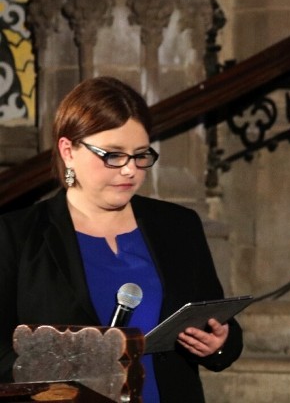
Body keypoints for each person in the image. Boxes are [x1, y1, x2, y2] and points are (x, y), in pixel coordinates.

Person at [0, 76, 243, 402]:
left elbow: (220, 329)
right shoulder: (16, 235)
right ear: (68, 150)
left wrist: (220, 343)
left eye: (141, 155)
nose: (130, 170)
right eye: (113, 155)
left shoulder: (177, 226)